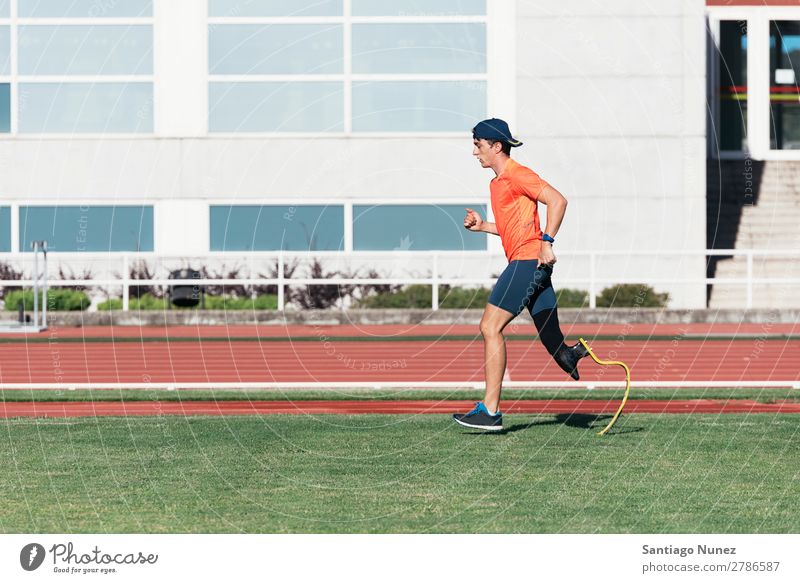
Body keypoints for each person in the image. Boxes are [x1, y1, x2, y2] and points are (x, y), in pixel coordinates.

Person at [453, 118, 588, 431]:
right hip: (530, 262)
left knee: (489, 326)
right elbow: (514, 229)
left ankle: (490, 410)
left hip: (528, 262)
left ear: (496, 146)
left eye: (478, 145)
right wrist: (483, 226)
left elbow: (558, 200)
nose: (475, 152)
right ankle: (572, 355)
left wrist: (547, 243)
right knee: (552, 339)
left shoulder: (517, 175)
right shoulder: (497, 183)